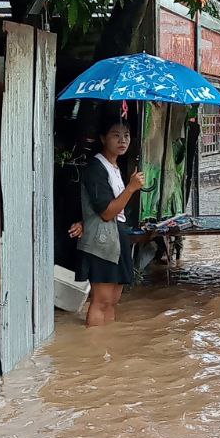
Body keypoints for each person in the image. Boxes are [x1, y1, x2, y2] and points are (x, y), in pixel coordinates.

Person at [76, 115, 144, 327]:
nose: (122, 140)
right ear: (103, 138)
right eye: (116, 135)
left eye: (126, 136)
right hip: (102, 242)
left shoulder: (114, 167)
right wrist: (131, 188)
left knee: (113, 301)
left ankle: (108, 347)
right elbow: (106, 212)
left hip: (116, 237)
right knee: (101, 301)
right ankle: (95, 352)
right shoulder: (96, 168)